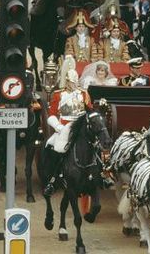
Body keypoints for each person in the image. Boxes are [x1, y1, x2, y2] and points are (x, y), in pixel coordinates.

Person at [43, 57, 92, 195]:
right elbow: (52, 114)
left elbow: (89, 110)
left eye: (76, 81)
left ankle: (98, 175)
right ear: (67, 81)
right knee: (54, 146)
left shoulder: (83, 93)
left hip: (81, 126)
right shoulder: (59, 95)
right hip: (65, 127)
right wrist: (58, 127)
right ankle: (52, 179)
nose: (74, 84)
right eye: (71, 82)